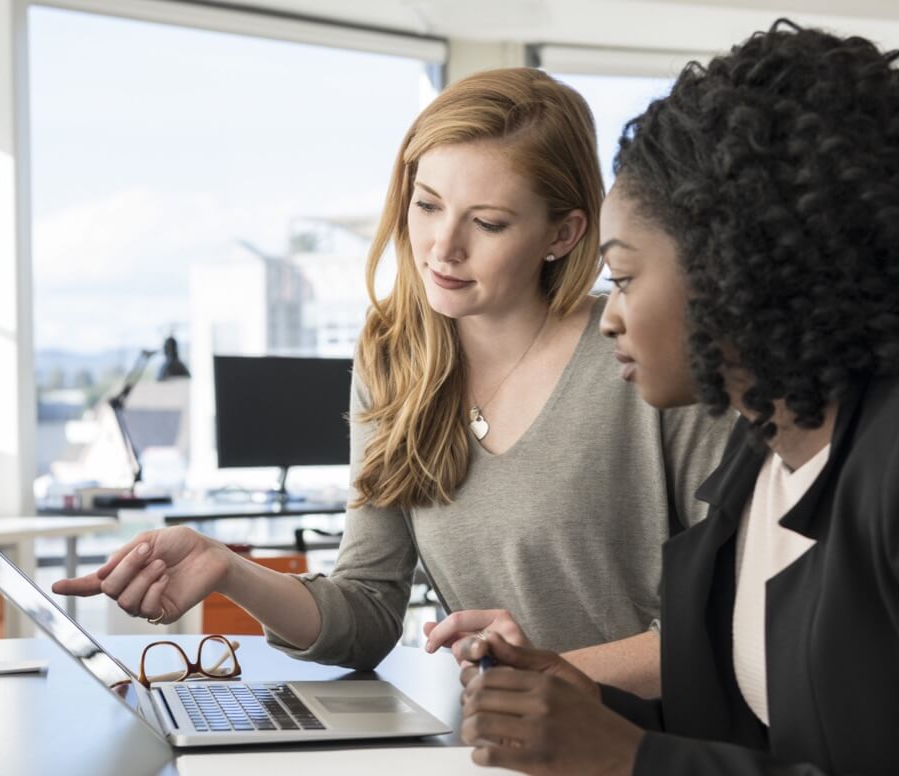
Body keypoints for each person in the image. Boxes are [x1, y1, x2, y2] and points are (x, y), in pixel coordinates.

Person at [454, 22, 899, 775]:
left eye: (627, 276)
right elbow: (767, 736)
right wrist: (585, 707)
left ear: (735, 268)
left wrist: (633, 759)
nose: (609, 314)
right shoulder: (759, 462)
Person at [54, 67, 734, 694]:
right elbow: (368, 611)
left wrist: (550, 676)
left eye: (488, 223)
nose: (443, 246)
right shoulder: (394, 361)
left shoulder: (646, 354)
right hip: (511, 743)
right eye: (427, 204)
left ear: (563, 234)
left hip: (657, 747)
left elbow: (739, 627)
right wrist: (228, 570)